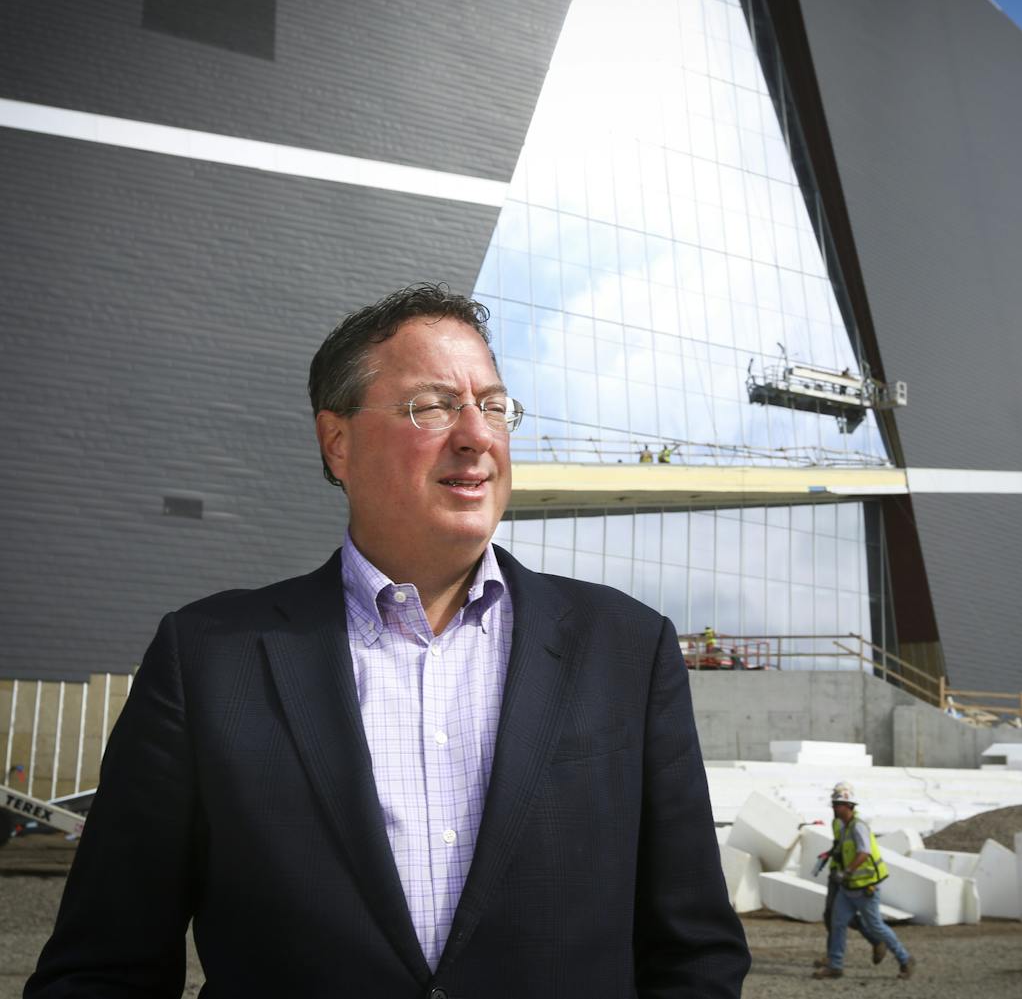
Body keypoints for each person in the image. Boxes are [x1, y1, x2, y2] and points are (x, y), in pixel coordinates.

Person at [26, 284, 749, 998]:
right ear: (337, 442)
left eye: (493, 406)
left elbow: (694, 955)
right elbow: (104, 965)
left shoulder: (625, 648)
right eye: (433, 406)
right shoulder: (210, 659)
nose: (476, 434)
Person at [814, 782, 913, 981]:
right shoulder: (843, 827)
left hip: (866, 887)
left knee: (876, 926)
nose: (834, 808)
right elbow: (842, 850)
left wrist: (847, 871)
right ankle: (835, 965)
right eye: (834, 804)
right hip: (849, 887)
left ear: (849, 806)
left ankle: (905, 959)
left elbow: (864, 853)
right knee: (838, 922)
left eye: (838, 804)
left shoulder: (858, 827)